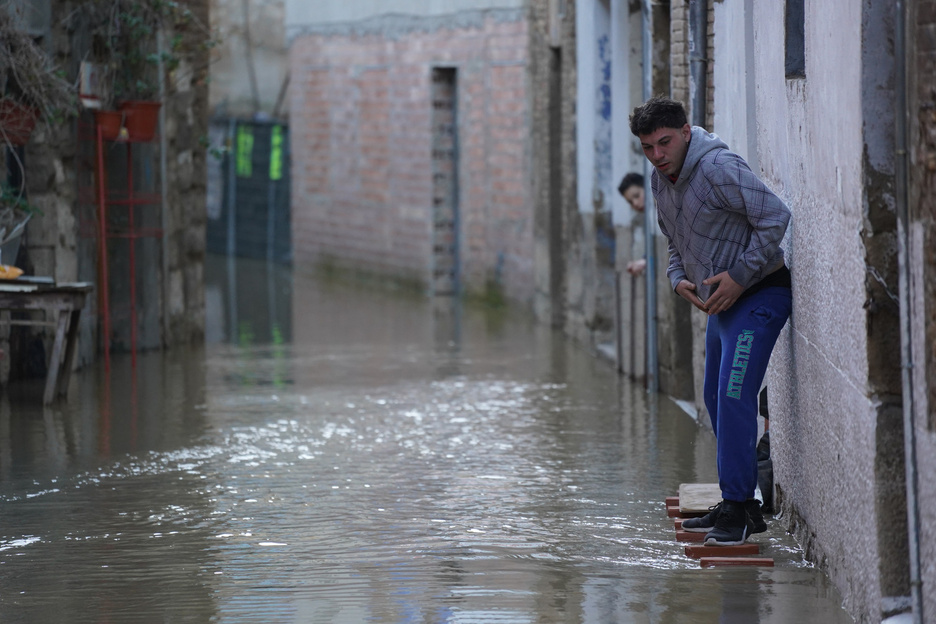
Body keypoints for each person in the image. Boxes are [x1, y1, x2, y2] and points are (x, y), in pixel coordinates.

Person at [628, 96, 792, 546]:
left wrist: (739, 278)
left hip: (761, 294)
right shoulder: (662, 181)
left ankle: (737, 510)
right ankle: (742, 505)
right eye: (648, 148)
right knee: (714, 398)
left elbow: (775, 217)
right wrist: (677, 278)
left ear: (685, 131)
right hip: (720, 305)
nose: (658, 155)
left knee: (734, 393)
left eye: (664, 142)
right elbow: (674, 242)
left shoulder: (718, 167)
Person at [617, 173, 647, 276]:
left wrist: (645, 262)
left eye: (637, 196)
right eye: (630, 202)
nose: (635, 203)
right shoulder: (648, 219)